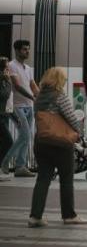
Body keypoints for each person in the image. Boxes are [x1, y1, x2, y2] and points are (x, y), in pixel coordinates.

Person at [28, 67, 87, 227]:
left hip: (41, 142)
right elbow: (72, 118)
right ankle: (69, 215)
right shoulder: (59, 96)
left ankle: (35, 217)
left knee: (43, 179)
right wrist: (80, 134)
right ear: (59, 80)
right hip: (60, 144)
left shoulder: (39, 97)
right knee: (66, 179)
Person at [1, 40, 38, 178]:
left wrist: (41, 97)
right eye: (24, 49)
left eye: (28, 49)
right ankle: (5, 162)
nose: (27, 51)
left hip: (29, 106)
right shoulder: (11, 66)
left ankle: (20, 167)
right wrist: (33, 97)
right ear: (16, 50)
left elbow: (33, 85)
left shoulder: (28, 68)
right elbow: (17, 86)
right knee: (25, 135)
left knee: (26, 137)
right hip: (17, 107)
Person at [0, 57, 14, 181]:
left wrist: (13, 116)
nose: (8, 70)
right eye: (6, 68)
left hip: (4, 116)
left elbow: (7, 103)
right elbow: (4, 95)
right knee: (8, 141)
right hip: (0, 118)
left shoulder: (3, 81)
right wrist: (9, 82)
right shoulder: (3, 81)